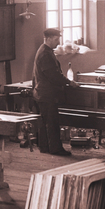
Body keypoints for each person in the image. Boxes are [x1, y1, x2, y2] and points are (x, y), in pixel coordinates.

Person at [33, 27, 82, 156]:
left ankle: (45, 147)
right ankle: (55, 149)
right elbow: (54, 75)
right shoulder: (45, 54)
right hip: (47, 94)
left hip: (42, 92)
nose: (58, 42)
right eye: (56, 39)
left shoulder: (45, 51)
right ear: (48, 39)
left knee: (45, 122)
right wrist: (69, 82)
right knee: (52, 123)